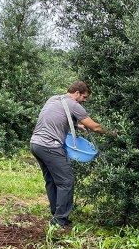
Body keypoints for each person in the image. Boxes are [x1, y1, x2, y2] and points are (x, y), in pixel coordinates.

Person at [30, 81, 115, 227]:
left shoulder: (54, 99)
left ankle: (56, 214)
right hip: (51, 146)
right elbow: (95, 127)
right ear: (77, 93)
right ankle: (60, 220)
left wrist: (76, 126)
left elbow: (56, 117)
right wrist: (112, 133)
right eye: (84, 97)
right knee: (66, 181)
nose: (84, 101)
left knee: (51, 180)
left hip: (36, 144)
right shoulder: (74, 105)